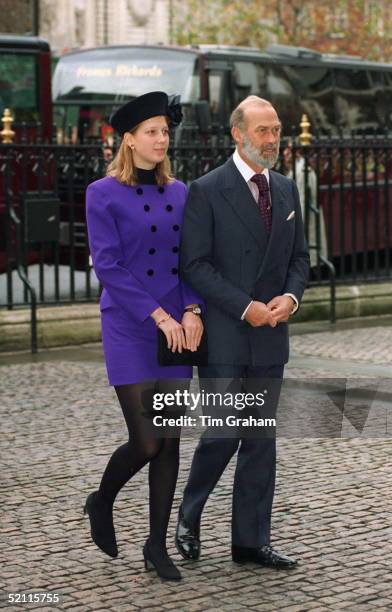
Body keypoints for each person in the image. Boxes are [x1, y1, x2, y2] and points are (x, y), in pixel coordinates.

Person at [175, 96, 310, 569]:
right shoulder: (207, 189)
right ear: (237, 133)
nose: (272, 139)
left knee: (260, 443)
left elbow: (299, 259)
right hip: (227, 338)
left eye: (276, 130)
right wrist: (244, 307)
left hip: (271, 338)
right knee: (221, 435)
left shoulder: (288, 190)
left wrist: (290, 299)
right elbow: (194, 265)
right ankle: (188, 516)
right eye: (263, 131)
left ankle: (250, 542)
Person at [84, 91, 203, 581]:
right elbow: (108, 265)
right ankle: (102, 499)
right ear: (128, 140)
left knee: (171, 440)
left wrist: (192, 308)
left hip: (178, 325)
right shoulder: (101, 193)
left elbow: (193, 257)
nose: (161, 139)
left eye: (165, 131)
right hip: (132, 324)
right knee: (148, 440)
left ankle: (156, 545)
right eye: (151, 131)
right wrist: (160, 315)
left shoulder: (182, 192)